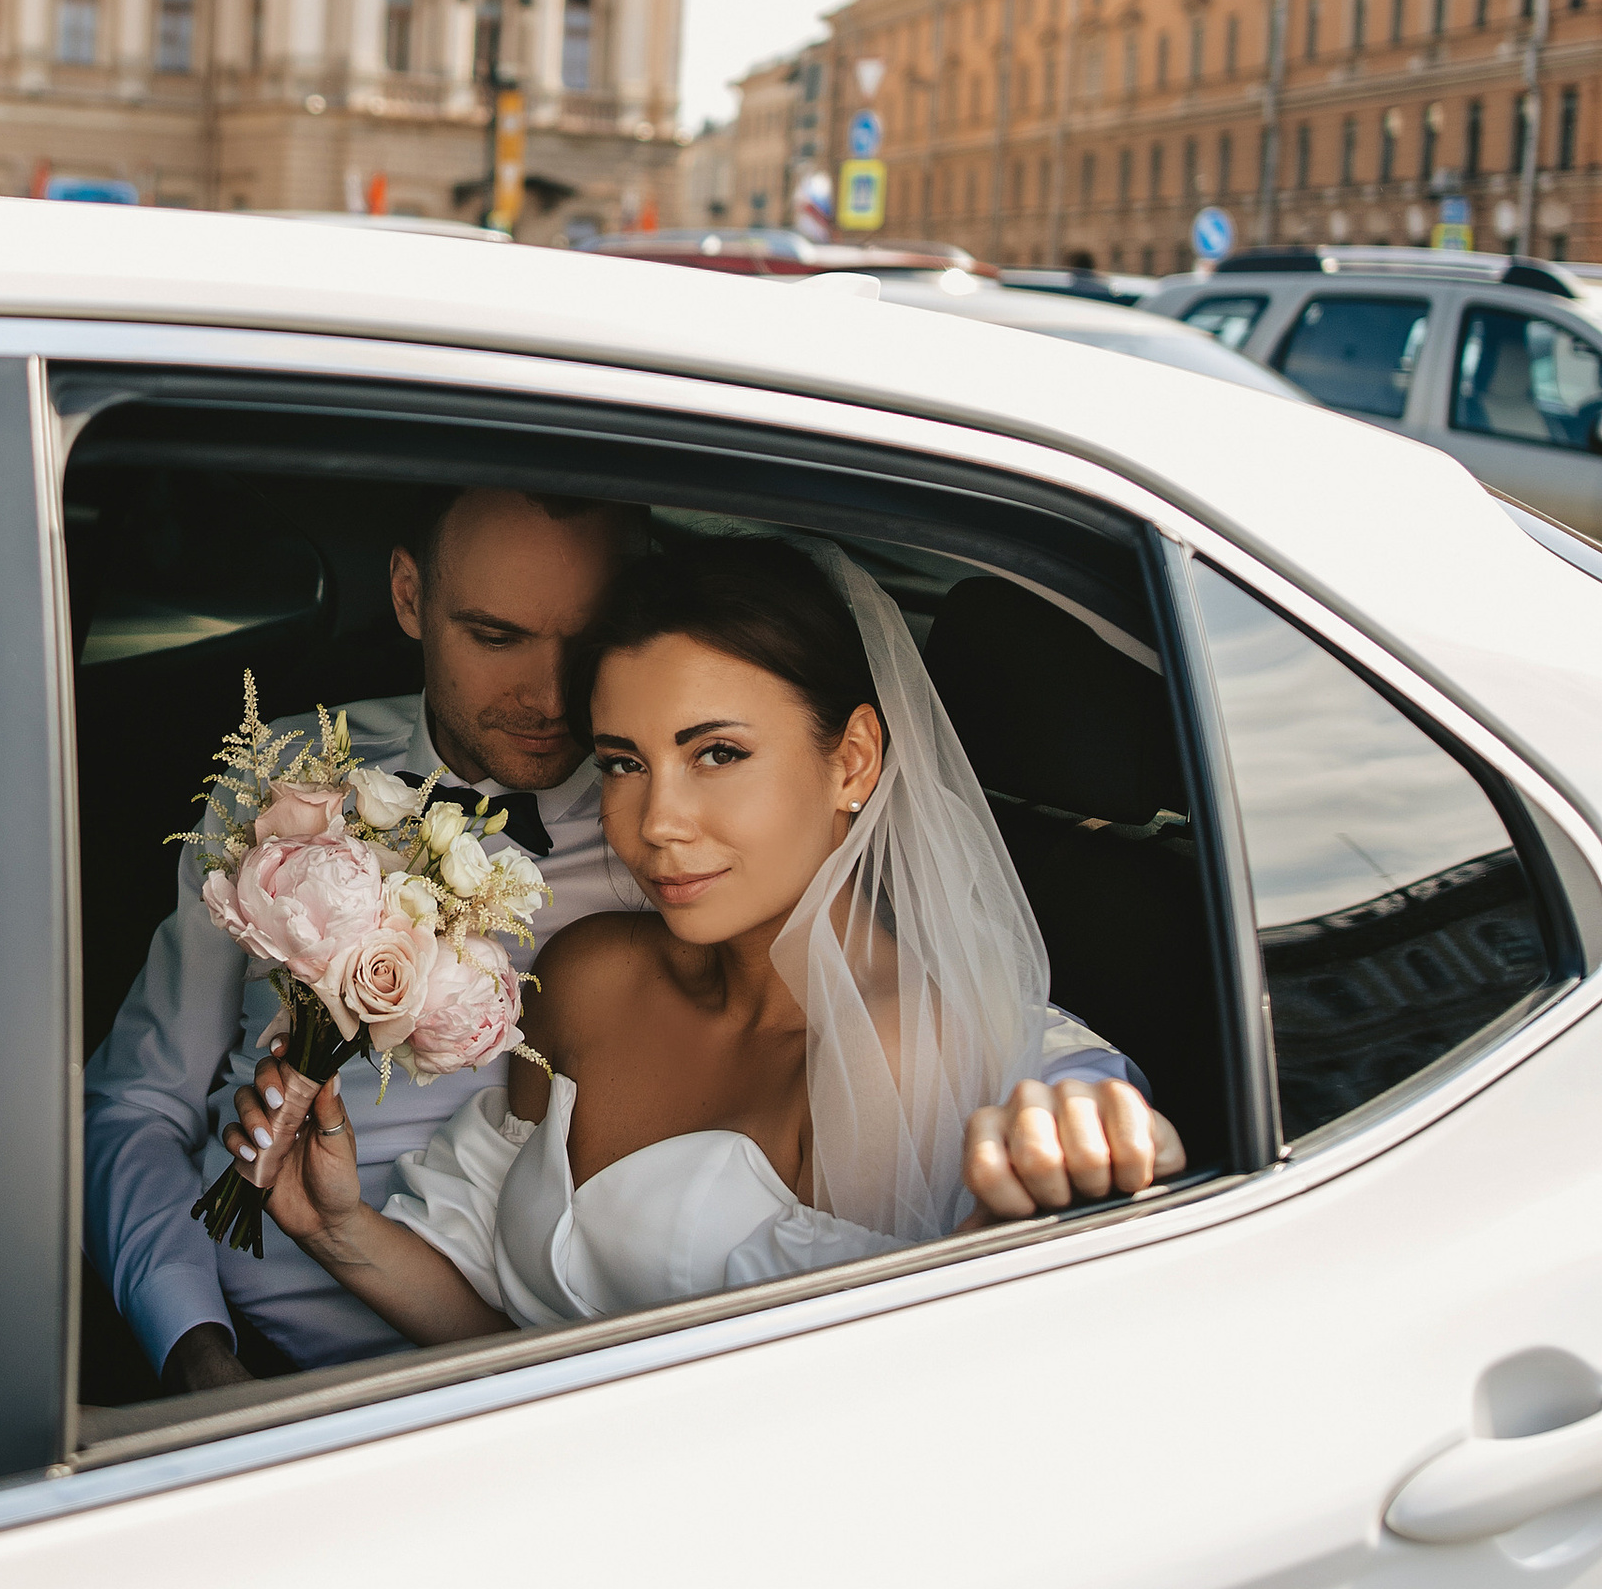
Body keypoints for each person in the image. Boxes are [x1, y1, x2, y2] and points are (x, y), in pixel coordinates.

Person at [229, 534, 1180, 1341]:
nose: (656, 824)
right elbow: (496, 1325)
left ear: (851, 761)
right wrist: (336, 1227)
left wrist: (1097, 1113)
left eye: (717, 753)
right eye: (623, 763)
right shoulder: (589, 975)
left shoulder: (906, 1059)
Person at [84, 487, 644, 1390]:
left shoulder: (669, 840)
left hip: (515, 1378)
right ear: (409, 597)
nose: (550, 698)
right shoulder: (286, 777)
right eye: (496, 637)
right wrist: (193, 1344)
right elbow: (140, 1104)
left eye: (587, 644)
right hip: (234, 1351)